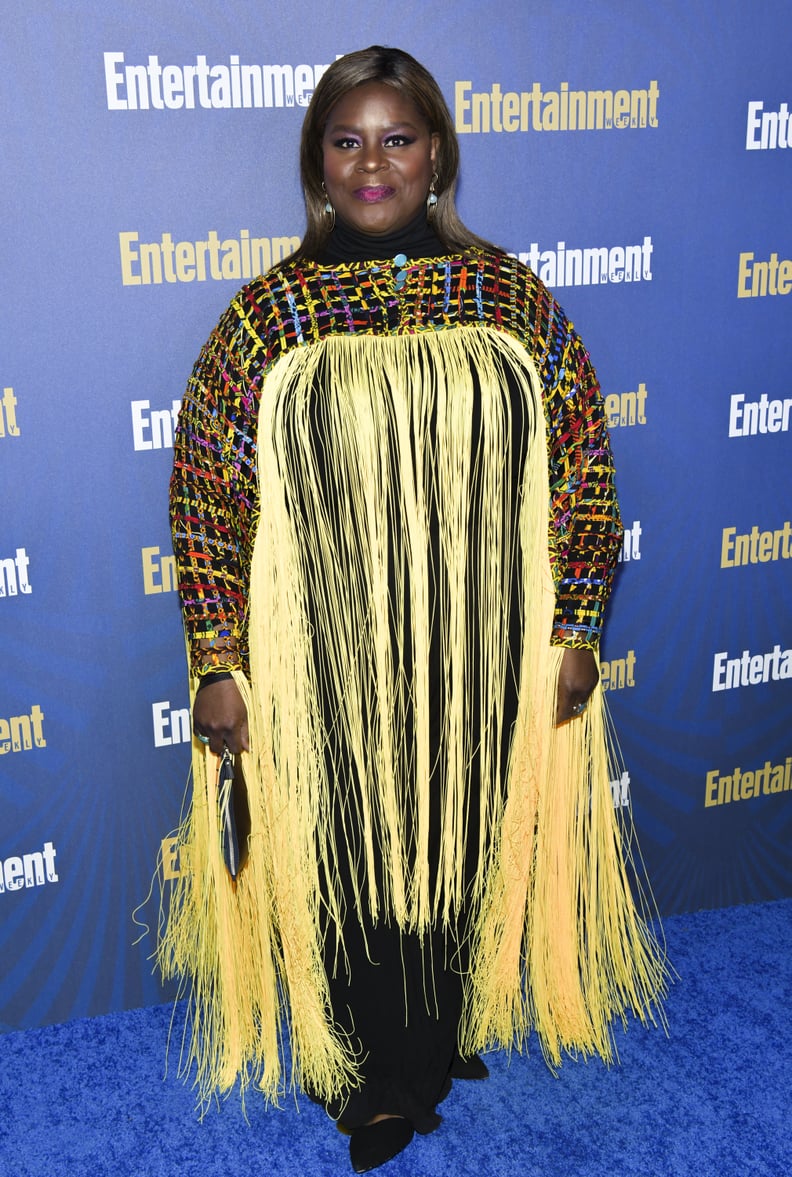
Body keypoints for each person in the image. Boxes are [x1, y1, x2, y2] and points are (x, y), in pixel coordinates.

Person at [159, 45, 668, 1173]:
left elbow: (582, 465)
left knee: (466, 833)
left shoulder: (511, 299)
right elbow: (207, 497)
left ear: (437, 155)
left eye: (397, 137)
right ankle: (376, 1075)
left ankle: (437, 1032)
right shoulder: (267, 318)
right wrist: (218, 658)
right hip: (325, 662)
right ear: (317, 163)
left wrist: (578, 626)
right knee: (351, 848)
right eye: (348, 140)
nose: (372, 161)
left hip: (481, 647)